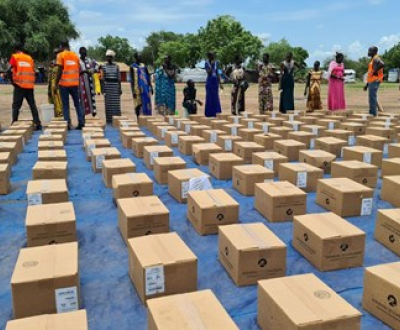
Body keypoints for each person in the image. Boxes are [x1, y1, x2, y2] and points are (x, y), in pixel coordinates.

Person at [6, 42, 42, 130]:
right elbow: (33, 71)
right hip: (29, 85)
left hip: (19, 85)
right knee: (32, 105)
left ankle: (14, 122)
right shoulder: (29, 58)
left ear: (15, 49)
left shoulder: (15, 56)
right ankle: (38, 124)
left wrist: (12, 82)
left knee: (16, 106)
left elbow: (8, 70)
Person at [55, 40, 85, 130]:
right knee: (77, 104)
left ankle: (67, 124)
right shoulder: (75, 55)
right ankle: (81, 122)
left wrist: (56, 82)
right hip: (74, 84)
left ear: (61, 46)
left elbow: (59, 70)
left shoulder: (61, 55)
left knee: (65, 105)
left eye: (59, 47)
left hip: (64, 84)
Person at [100, 50, 122, 124]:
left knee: (116, 105)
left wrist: (120, 88)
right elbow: (102, 78)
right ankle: (109, 121)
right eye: (107, 57)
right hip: (107, 87)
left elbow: (119, 78)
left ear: (112, 57)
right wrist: (102, 89)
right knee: (108, 105)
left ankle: (117, 121)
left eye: (109, 57)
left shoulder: (116, 66)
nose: (108, 58)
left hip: (115, 87)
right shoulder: (103, 66)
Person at [130, 52, 153, 119]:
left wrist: (151, 86)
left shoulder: (144, 66)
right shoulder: (132, 67)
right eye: (139, 56)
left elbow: (148, 76)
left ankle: (147, 119)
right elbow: (132, 80)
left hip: (145, 88)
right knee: (138, 104)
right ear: (135, 58)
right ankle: (138, 119)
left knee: (146, 103)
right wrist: (133, 91)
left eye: (141, 56)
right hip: (137, 88)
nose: (140, 58)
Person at [363, 46, 385, 117]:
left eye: (370, 51)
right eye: (368, 50)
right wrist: (367, 85)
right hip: (371, 81)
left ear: (375, 52)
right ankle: (372, 113)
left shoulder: (376, 58)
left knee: (372, 98)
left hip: (375, 80)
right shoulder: (373, 59)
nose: (368, 52)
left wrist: (375, 71)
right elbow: (370, 73)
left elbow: (382, 64)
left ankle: (373, 114)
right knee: (372, 97)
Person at [79, 47, 99, 117]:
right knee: (82, 97)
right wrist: (84, 71)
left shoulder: (89, 60)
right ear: (80, 53)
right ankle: (83, 114)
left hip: (90, 81)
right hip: (81, 82)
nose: (85, 55)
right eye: (83, 53)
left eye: (85, 53)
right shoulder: (78, 61)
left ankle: (93, 112)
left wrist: (93, 70)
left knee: (91, 96)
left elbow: (97, 65)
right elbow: (76, 71)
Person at [205, 51, 222, 117]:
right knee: (209, 97)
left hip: (215, 82)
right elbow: (208, 73)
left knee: (215, 97)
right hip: (209, 82)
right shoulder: (206, 63)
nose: (213, 57)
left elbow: (217, 73)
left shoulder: (216, 63)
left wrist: (220, 83)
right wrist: (211, 66)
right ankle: (209, 113)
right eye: (212, 55)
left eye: (214, 55)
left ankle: (216, 112)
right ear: (209, 56)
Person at [48, 48, 63, 117]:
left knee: (60, 98)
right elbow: (50, 76)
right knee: (55, 99)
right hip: (53, 84)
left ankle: (61, 113)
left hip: (60, 83)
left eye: (57, 53)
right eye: (55, 53)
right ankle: (57, 114)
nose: (56, 54)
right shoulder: (52, 63)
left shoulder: (61, 62)